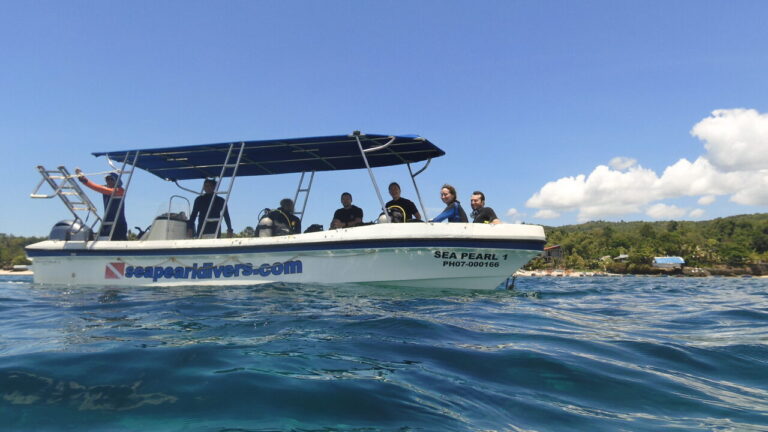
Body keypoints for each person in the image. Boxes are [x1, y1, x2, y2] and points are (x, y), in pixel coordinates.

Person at [75, 169, 128, 240]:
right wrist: (82, 179)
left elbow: (99, 188)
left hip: (119, 224)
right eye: (107, 179)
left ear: (117, 181)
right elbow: (96, 187)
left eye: (111, 179)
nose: (109, 181)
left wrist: (84, 179)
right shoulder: (105, 189)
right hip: (106, 223)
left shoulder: (120, 191)